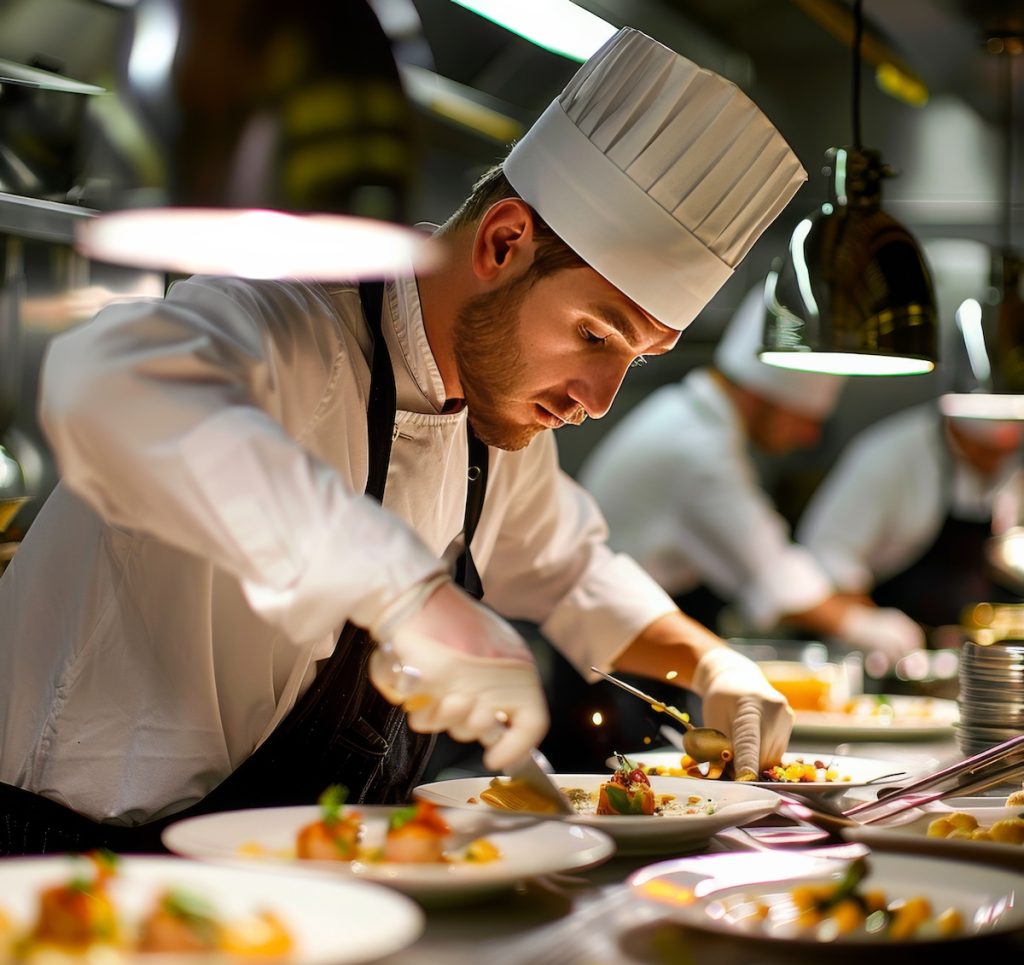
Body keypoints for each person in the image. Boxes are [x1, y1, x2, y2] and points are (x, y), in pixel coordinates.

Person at [0, 28, 806, 854]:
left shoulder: (501, 430)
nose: (599, 400)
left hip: (299, 880)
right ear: (503, 242)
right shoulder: (283, 325)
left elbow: (575, 577)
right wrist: (406, 596)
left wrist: (711, 668)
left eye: (636, 360)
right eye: (597, 335)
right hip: (76, 864)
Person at [579, 284, 926, 661]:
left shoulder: (694, 420)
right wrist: (868, 627)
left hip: (624, 639)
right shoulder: (697, 446)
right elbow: (773, 574)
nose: (810, 437)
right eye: (805, 418)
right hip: (605, 655)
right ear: (763, 394)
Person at [797, 237, 1024, 650]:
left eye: (1008, 450)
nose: (998, 460)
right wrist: (870, 627)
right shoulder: (890, 458)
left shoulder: (1012, 461)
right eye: (987, 450)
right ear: (955, 420)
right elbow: (824, 562)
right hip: (890, 665)